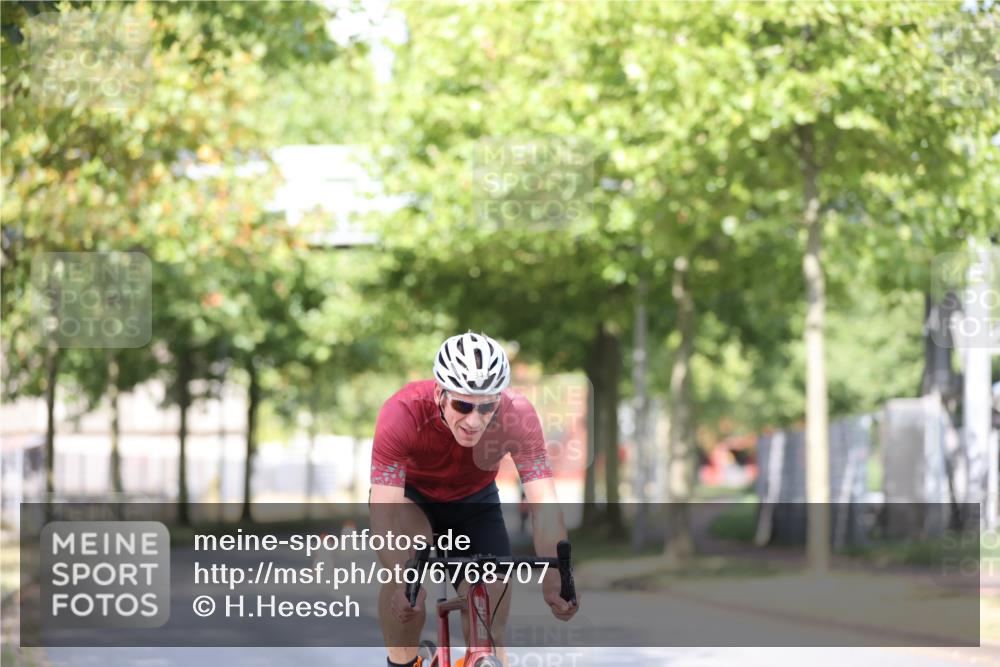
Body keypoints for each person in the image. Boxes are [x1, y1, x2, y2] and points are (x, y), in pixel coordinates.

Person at [369, 332, 578, 667]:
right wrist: (401, 580)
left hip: (475, 502)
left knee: (489, 618)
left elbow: (545, 506)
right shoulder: (402, 412)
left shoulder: (518, 416)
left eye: (487, 408)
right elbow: (385, 514)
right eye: (462, 405)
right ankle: (403, 661)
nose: (474, 420)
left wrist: (555, 578)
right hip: (413, 499)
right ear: (440, 393)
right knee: (407, 594)